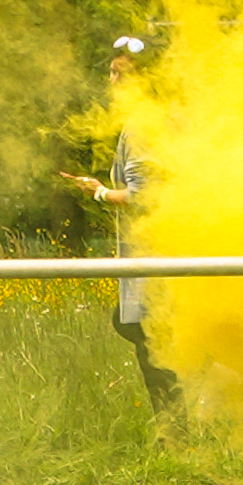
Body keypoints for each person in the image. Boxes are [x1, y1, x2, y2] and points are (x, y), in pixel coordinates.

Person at [63, 37, 184, 418]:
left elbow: (142, 196)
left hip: (154, 256)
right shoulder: (161, 116)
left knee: (152, 344)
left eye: (122, 75)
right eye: (111, 72)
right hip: (161, 252)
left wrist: (99, 194)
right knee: (134, 327)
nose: (112, 82)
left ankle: (180, 436)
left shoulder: (144, 124)